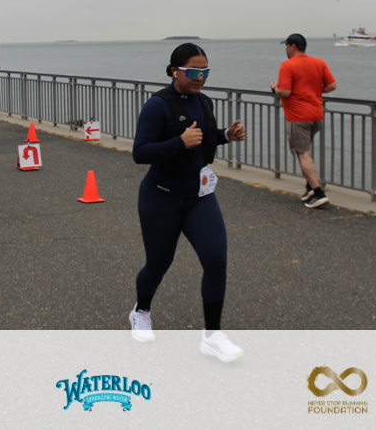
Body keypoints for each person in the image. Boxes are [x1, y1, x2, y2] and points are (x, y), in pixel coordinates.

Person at [129, 42, 247, 363]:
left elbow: (204, 138)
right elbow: (140, 152)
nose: (201, 78)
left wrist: (226, 135)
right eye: (194, 72)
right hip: (161, 197)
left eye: (205, 72)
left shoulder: (204, 101)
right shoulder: (157, 106)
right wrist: (178, 143)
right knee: (159, 263)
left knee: (216, 261)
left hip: (199, 197)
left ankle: (212, 336)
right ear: (174, 71)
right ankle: (141, 311)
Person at [270, 33, 337, 209]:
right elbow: (331, 86)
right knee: (307, 151)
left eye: (286, 46)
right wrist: (314, 91)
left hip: (298, 117)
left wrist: (274, 88)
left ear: (293, 47)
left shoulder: (287, 65)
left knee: (303, 154)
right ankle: (310, 189)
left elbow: (285, 92)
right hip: (317, 115)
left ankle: (319, 193)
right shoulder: (319, 62)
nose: (285, 49)